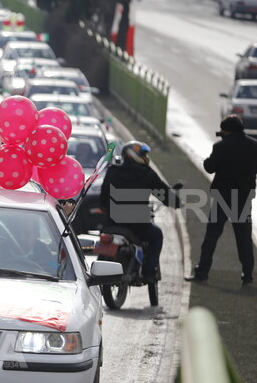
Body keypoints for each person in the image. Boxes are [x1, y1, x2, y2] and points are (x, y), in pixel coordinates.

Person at [187, 115, 257, 284]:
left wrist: (208, 160)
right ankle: (247, 275)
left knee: (212, 236)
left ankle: (202, 272)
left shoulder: (220, 146)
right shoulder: (254, 146)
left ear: (226, 130)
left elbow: (210, 168)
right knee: (244, 238)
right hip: (243, 199)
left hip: (223, 198)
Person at [99, 140, 181, 282]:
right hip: (138, 226)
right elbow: (164, 194)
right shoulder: (147, 174)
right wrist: (177, 202)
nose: (146, 157)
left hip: (113, 223)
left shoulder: (113, 171)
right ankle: (149, 272)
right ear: (134, 155)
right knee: (157, 236)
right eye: (143, 154)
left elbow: (103, 197)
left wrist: (106, 209)